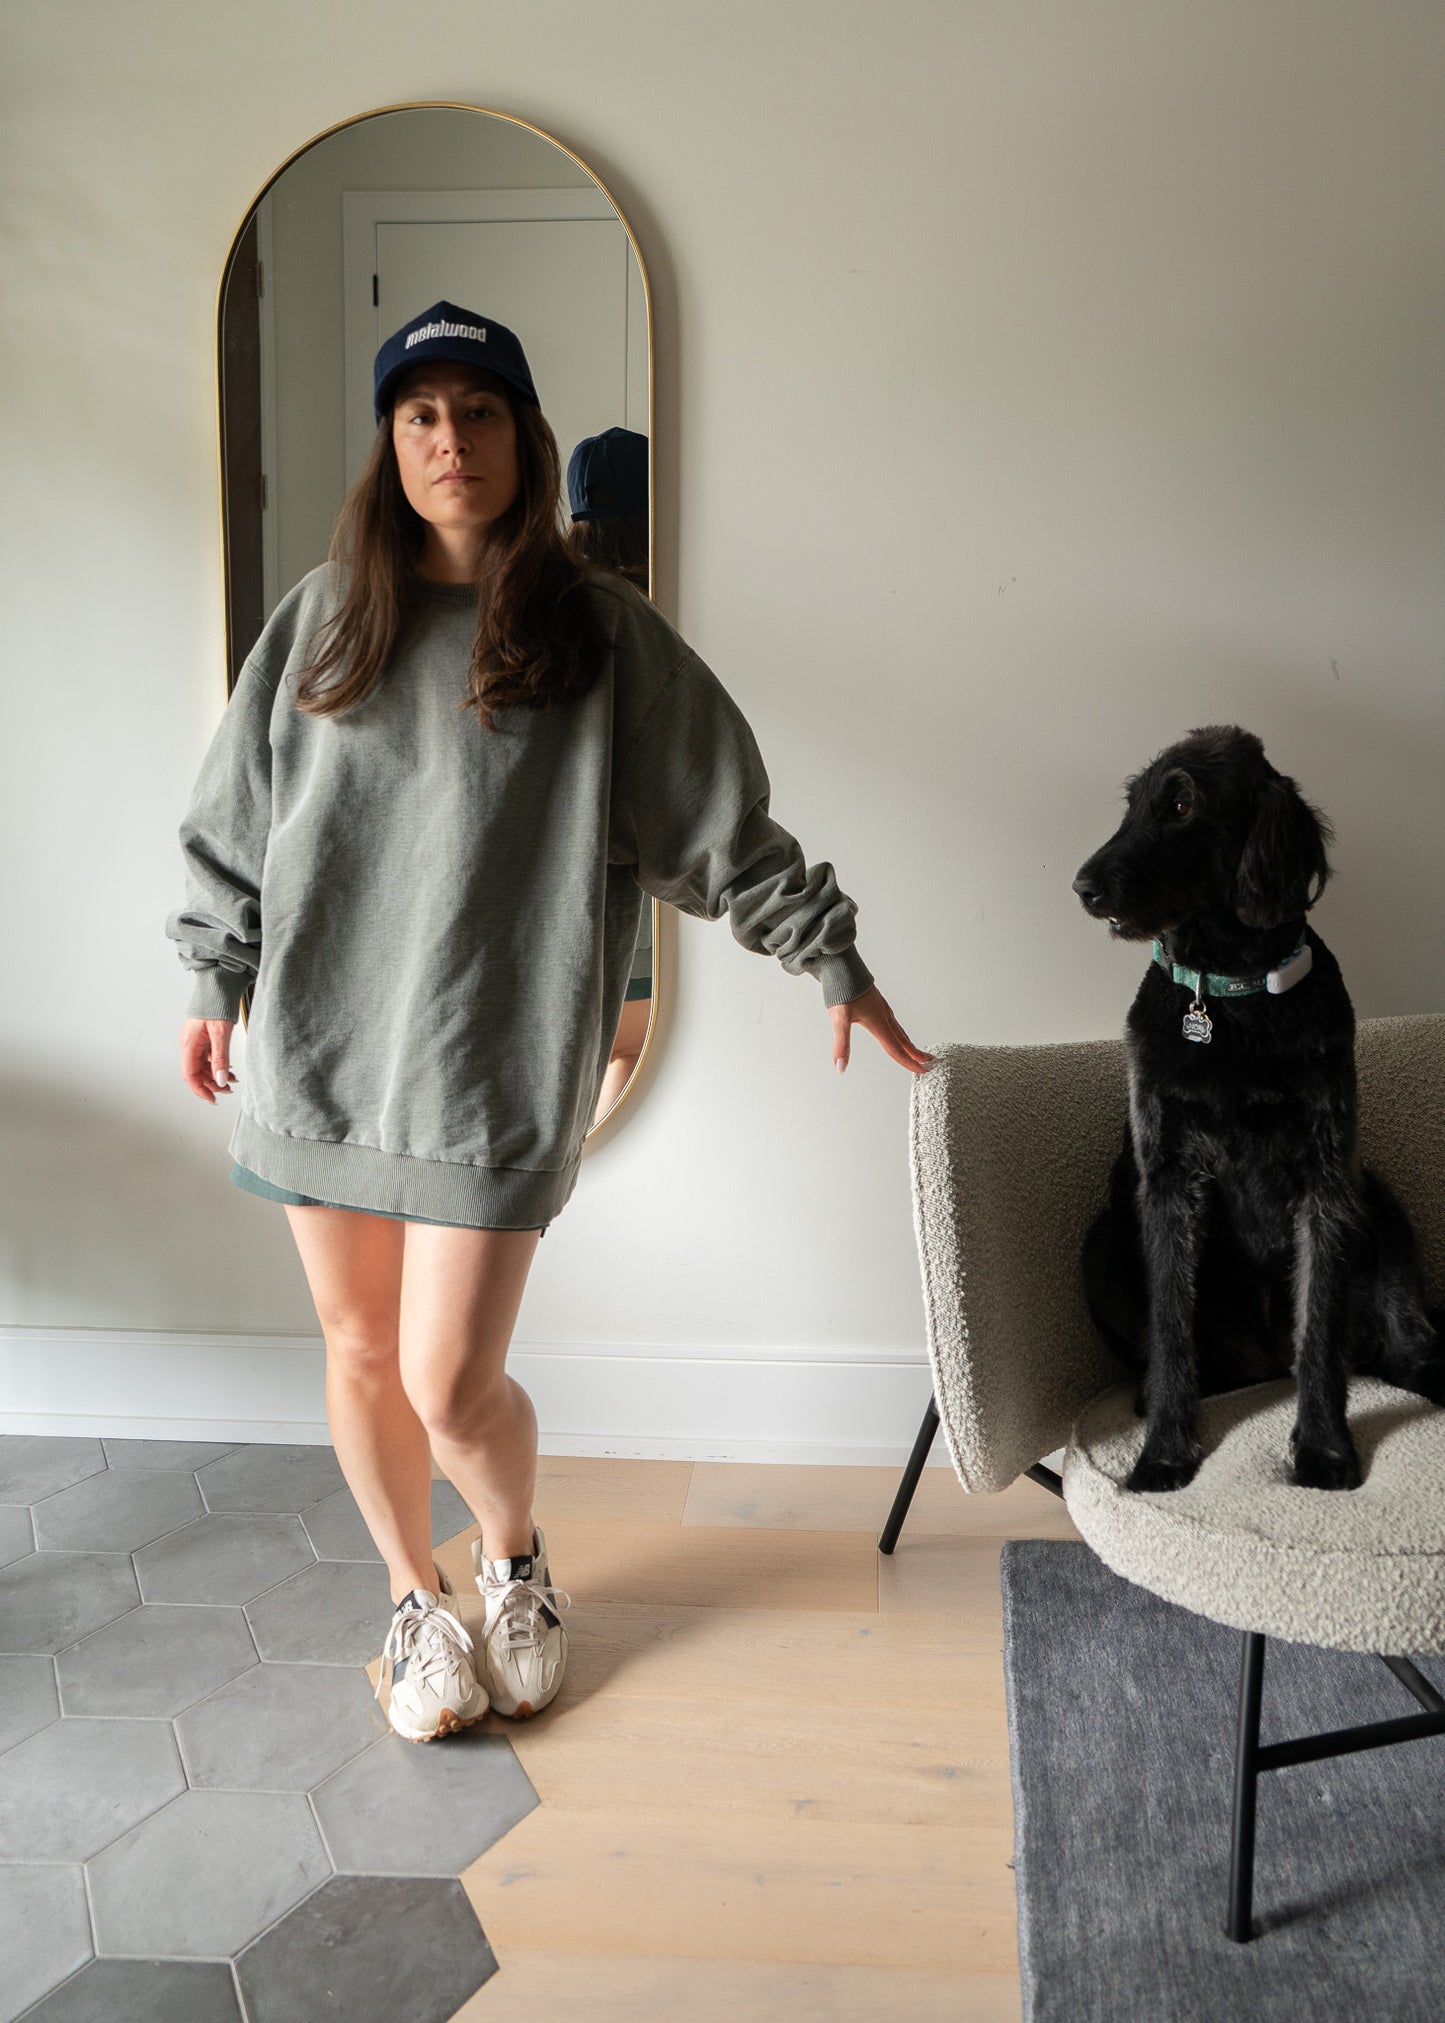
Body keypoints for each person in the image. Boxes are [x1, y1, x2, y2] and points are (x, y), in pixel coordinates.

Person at [165, 298, 933, 1743]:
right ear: (390, 447)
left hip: (489, 1063)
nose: (450, 441)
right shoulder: (322, 621)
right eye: (419, 417)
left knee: (453, 1380)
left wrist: (833, 962)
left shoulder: (597, 641)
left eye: (478, 412)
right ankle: (412, 1596)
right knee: (358, 1350)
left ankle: (509, 1560)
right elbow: (233, 824)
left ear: (523, 434)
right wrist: (214, 975)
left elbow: (723, 832)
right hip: (321, 1047)